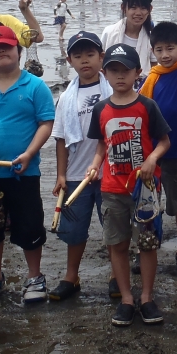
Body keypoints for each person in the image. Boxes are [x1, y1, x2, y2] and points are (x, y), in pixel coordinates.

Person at [0, 26, 55, 306]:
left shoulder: (35, 86)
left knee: (29, 226)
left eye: (6, 46)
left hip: (22, 172)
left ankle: (34, 276)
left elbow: (46, 123)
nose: (1, 51)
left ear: (18, 50)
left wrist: (29, 153)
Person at [85, 43, 172, 327]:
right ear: (104, 73)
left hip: (145, 190)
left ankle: (146, 297)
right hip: (112, 189)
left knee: (147, 245)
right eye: (113, 71)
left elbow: (164, 141)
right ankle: (126, 298)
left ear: (138, 73)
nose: (120, 76)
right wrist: (95, 164)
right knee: (117, 244)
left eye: (126, 71)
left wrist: (152, 160)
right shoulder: (101, 108)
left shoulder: (147, 106)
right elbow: (102, 145)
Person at [49, 32, 111, 300]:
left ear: (101, 57)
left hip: (110, 173)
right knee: (74, 229)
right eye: (78, 56)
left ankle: (115, 276)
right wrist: (61, 174)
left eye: (90, 54)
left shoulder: (114, 90)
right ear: (69, 60)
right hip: (76, 174)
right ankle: (71, 276)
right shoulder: (66, 98)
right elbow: (61, 139)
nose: (85, 60)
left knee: (113, 226)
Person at [139, 19, 177, 274]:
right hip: (152, 154)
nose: (165, 55)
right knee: (148, 202)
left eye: (170, 49)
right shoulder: (151, 79)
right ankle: (147, 246)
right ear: (152, 52)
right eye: (160, 50)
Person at [101, 0, 156, 79]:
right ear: (123, 8)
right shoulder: (109, 33)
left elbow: (154, 69)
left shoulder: (152, 37)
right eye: (133, 8)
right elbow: (101, 63)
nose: (138, 13)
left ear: (150, 9)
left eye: (143, 8)